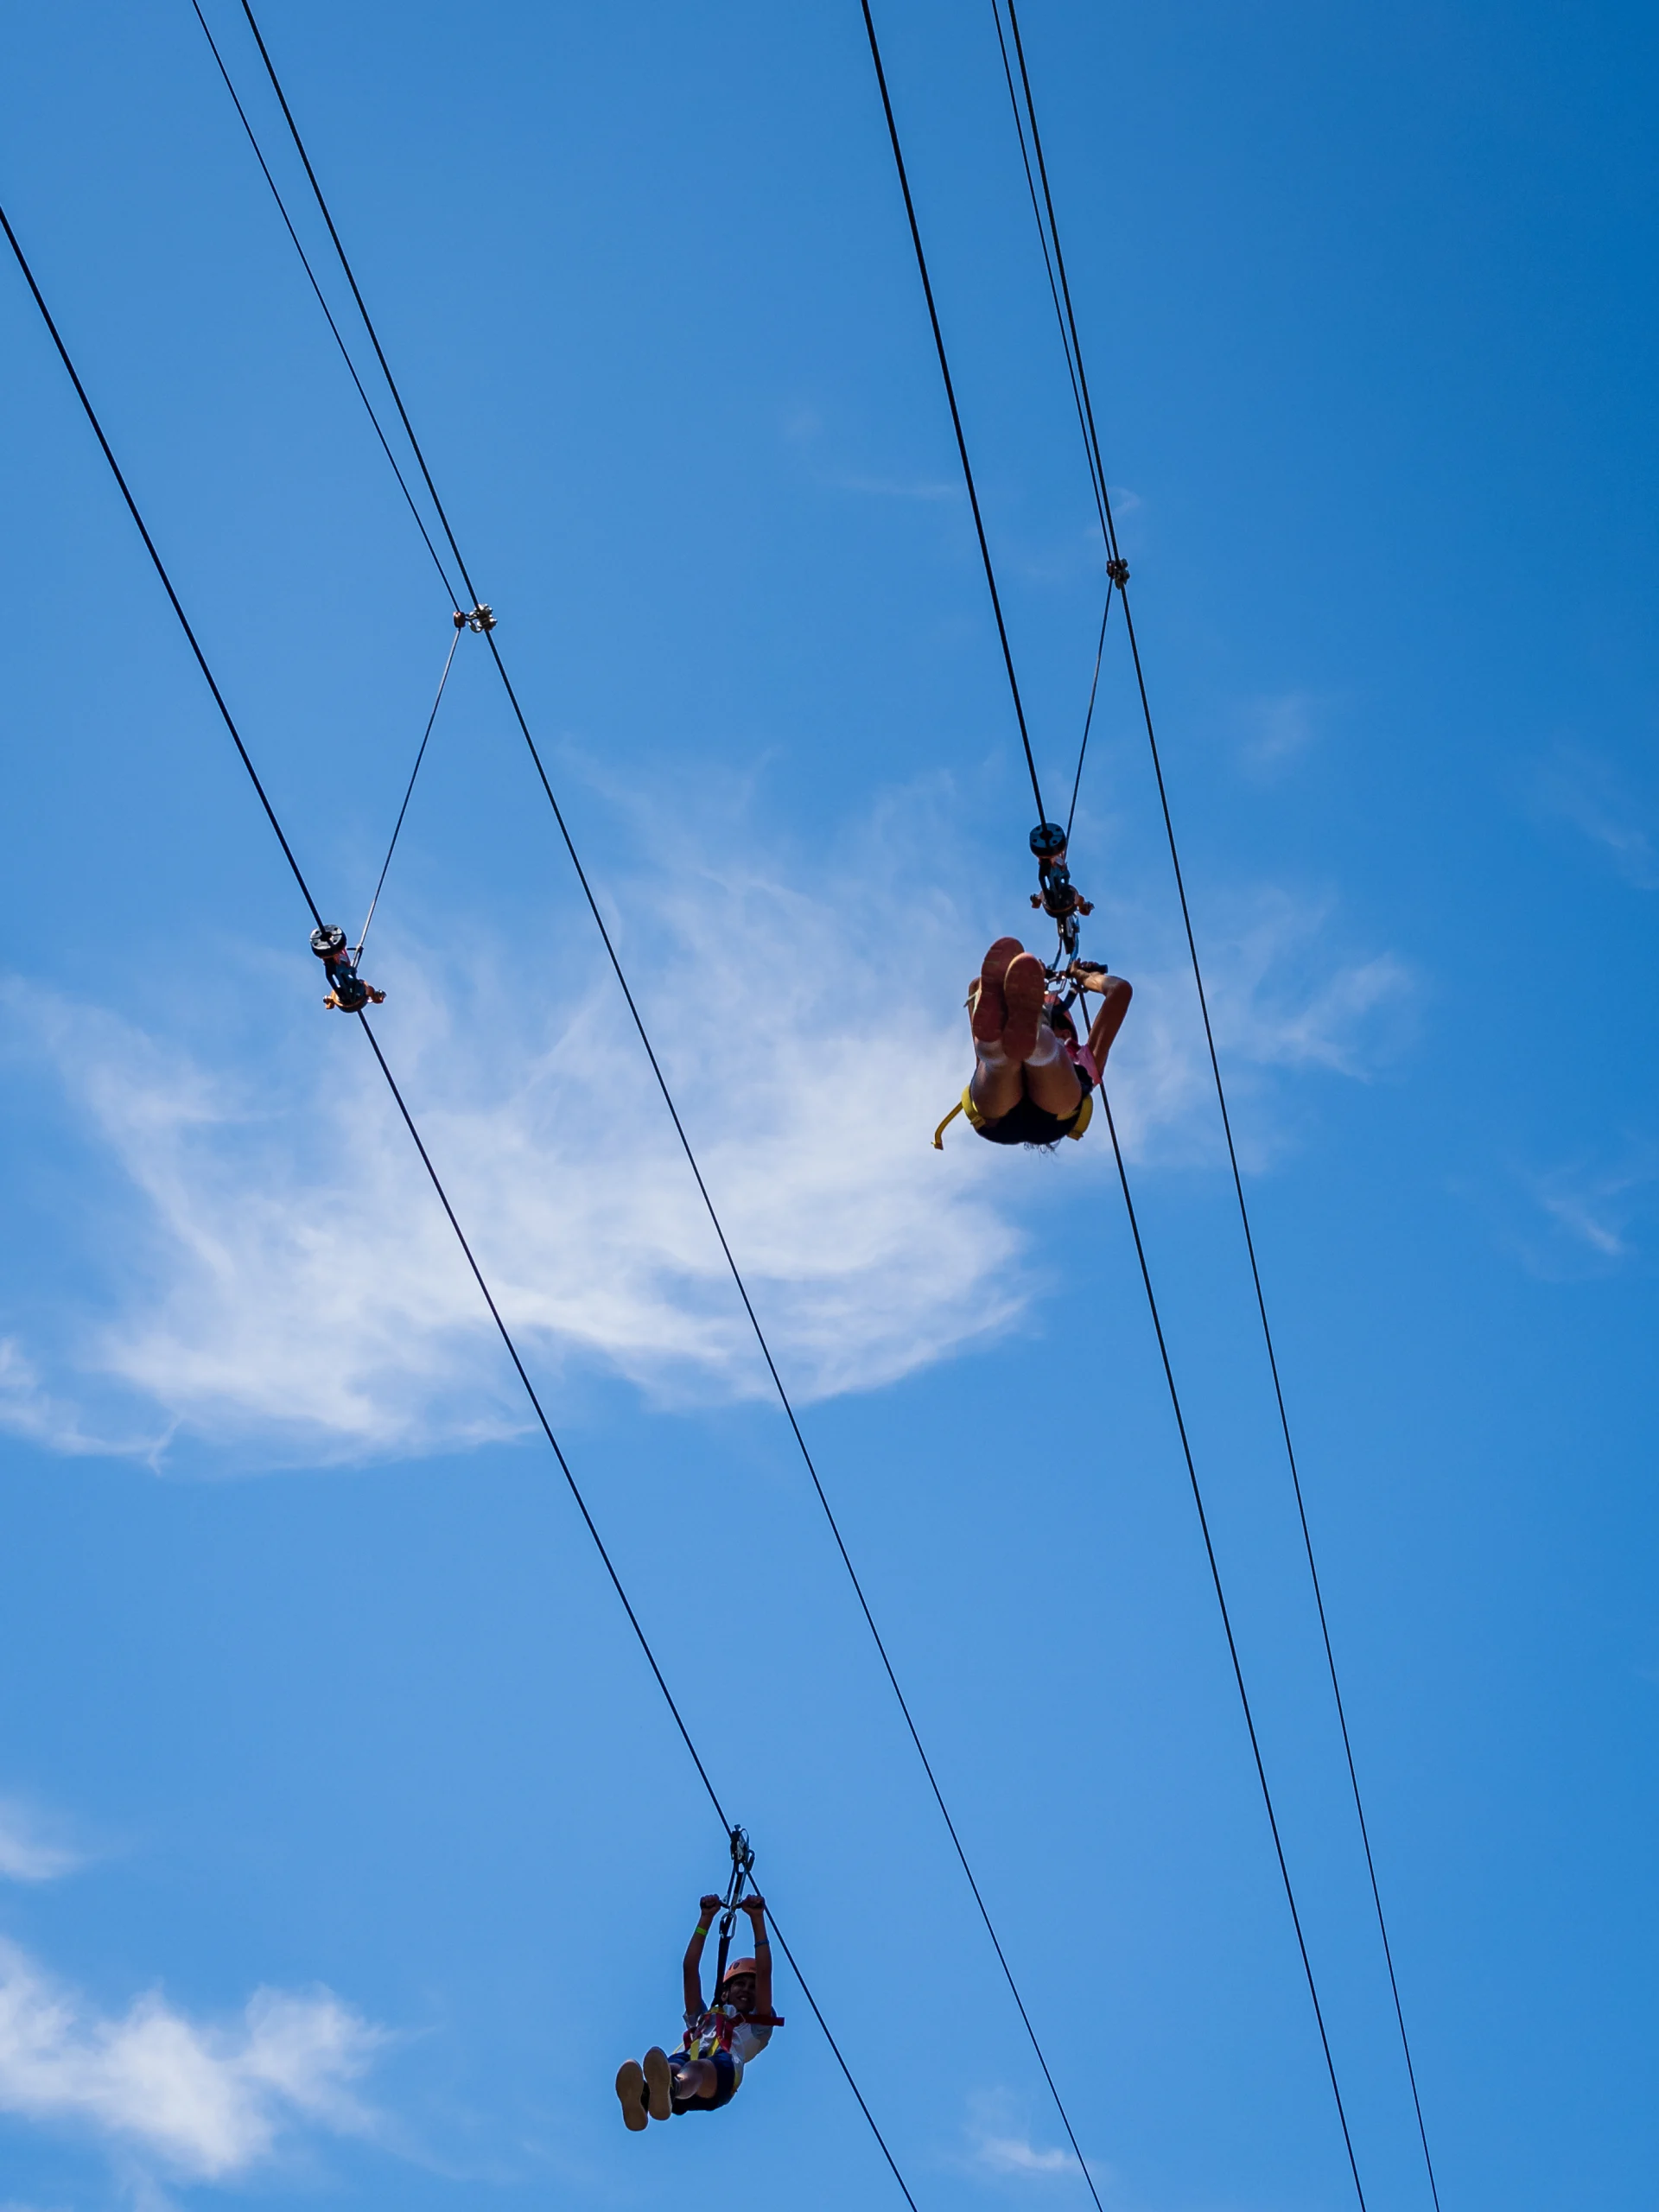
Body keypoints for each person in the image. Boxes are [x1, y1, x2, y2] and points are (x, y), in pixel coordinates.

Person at [936, 935, 1132, 1150]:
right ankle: (1004, 1049)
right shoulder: (1086, 1058)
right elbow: (1120, 990)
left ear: (1066, 1032)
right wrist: (1083, 978)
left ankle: (1013, 1046)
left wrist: (1074, 977)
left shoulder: (1074, 1051)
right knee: (999, 1056)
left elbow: (975, 987)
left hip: (1002, 1116)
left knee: (998, 1059)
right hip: (1049, 1115)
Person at [615, 1891, 779, 2130]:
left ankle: (670, 2090)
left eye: (753, 1988)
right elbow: (689, 1969)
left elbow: (765, 1973)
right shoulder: (702, 2019)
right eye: (740, 1984)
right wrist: (705, 1919)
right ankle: (645, 2098)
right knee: (672, 2064)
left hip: (721, 2074)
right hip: (686, 2064)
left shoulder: (758, 2025)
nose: (747, 1989)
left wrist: (757, 1919)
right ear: (724, 1993)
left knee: (694, 2067)